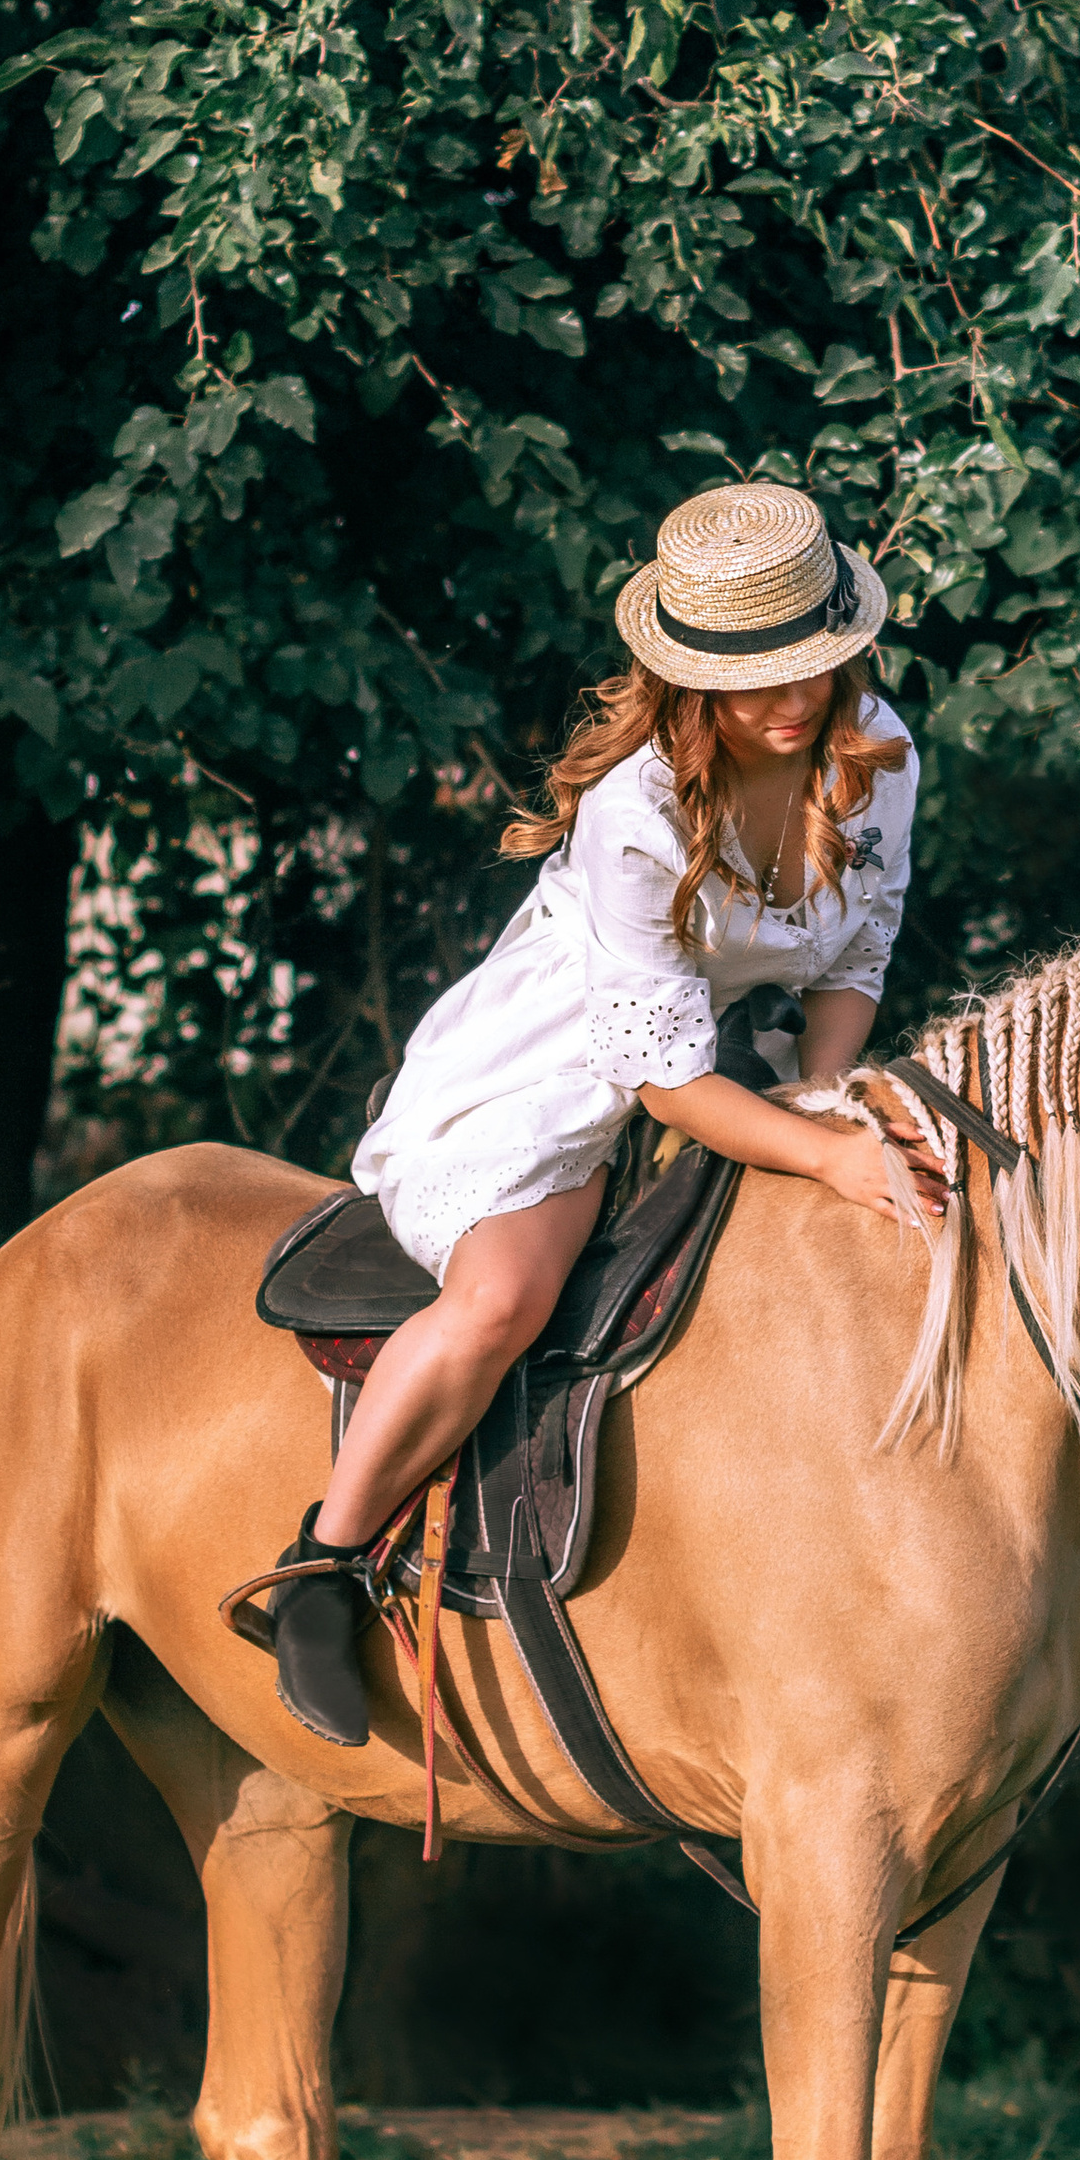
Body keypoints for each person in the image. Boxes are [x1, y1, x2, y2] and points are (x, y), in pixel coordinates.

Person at [263, 481, 943, 1741]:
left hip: (739, 1050)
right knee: (504, 1298)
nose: (797, 700)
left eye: (819, 665)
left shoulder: (875, 752)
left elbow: (860, 953)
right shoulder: (635, 811)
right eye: (759, 681)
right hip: (571, 1066)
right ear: (692, 688)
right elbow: (663, 1083)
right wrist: (828, 1160)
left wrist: (828, 1094)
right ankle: (325, 1562)